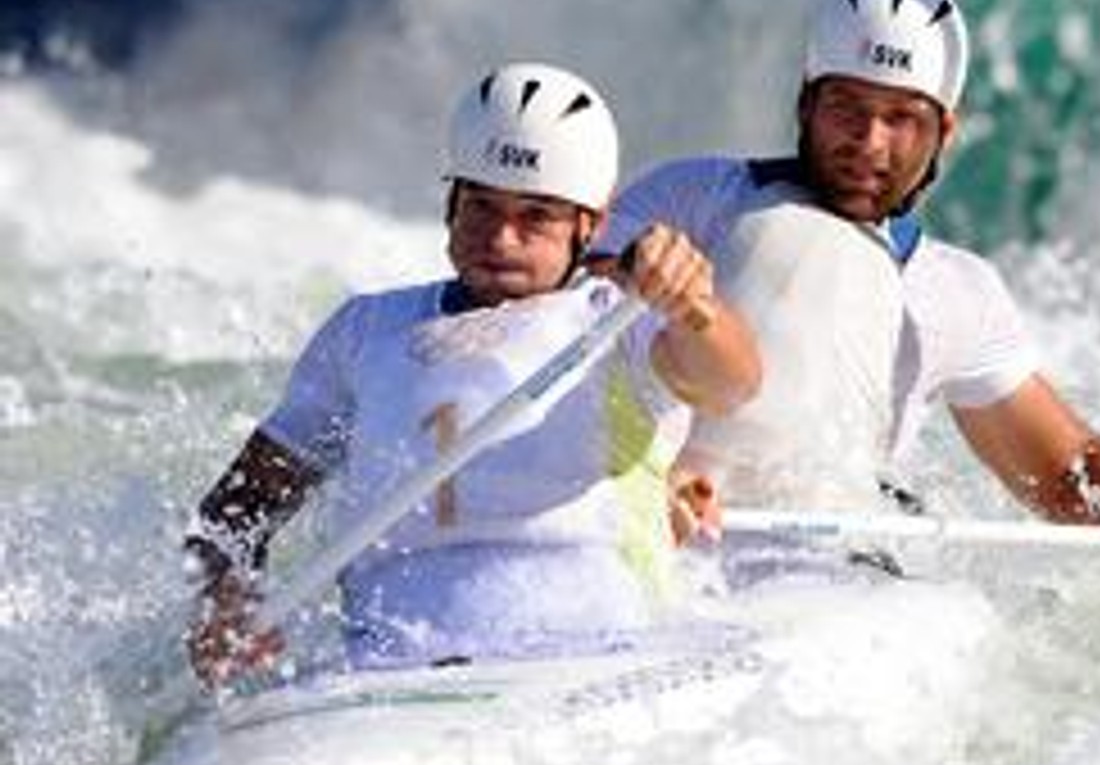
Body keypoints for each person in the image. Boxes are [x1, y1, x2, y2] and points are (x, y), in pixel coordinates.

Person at [599, 0, 1100, 550]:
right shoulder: (692, 197)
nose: (870, 141)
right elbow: (549, 310)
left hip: (815, 576)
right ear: (805, 104)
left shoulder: (956, 293)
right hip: (650, 541)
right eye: (847, 108)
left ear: (945, 133)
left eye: (901, 118)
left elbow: (1068, 480)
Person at [183, 62, 761, 687]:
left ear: (588, 226)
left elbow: (731, 384)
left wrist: (696, 308)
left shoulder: (621, 317)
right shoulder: (366, 330)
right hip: (385, 678)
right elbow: (235, 509)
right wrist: (225, 593)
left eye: (536, 215)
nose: (501, 237)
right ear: (450, 202)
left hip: (597, 665)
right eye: (480, 205)